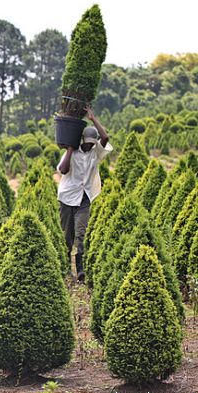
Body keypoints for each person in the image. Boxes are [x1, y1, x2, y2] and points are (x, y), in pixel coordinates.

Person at [57, 106, 112, 282]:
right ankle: (66, 270)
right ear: (82, 140)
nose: (89, 145)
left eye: (92, 143)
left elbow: (105, 137)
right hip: (67, 198)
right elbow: (63, 170)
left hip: (84, 199)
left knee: (82, 234)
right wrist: (69, 150)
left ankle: (80, 271)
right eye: (87, 142)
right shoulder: (72, 153)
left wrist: (93, 118)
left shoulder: (95, 153)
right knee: (67, 235)